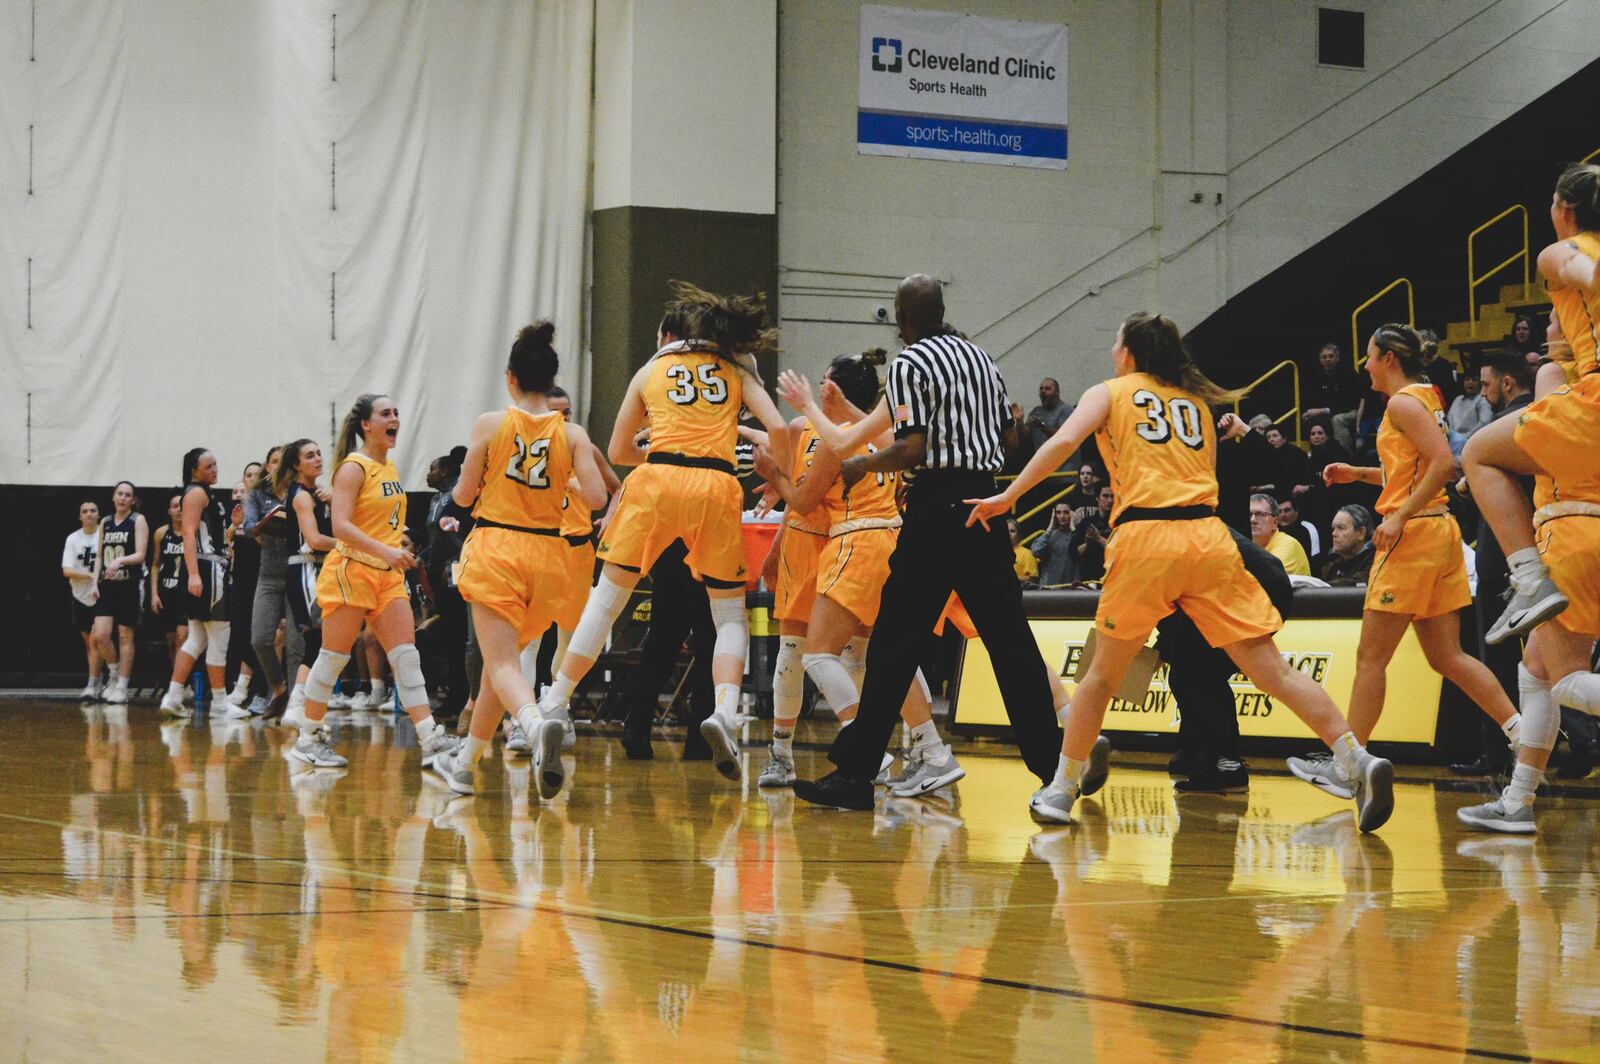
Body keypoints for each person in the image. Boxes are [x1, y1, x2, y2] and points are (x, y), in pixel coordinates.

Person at [967, 311, 1394, 831]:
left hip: (1147, 539)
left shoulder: (1112, 391)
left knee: (1102, 676)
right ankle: (1355, 758)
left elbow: (1059, 444)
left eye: (1114, 341)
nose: (1110, 350)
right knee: (1273, 671)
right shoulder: (1195, 401)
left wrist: (1008, 494)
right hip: (1210, 540)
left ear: (1129, 353)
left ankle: (1060, 789)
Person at [780, 274, 1064, 813]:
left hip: (935, 509)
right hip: (983, 507)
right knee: (1009, 642)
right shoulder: (983, 359)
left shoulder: (910, 364)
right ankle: (1057, 769)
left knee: (892, 646)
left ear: (901, 317)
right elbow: (1009, 437)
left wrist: (863, 464)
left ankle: (857, 776)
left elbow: (913, 447)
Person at [531, 283, 791, 781]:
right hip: (716, 485)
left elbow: (620, 451)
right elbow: (779, 428)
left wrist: (660, 444)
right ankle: (724, 712)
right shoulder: (736, 369)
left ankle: (556, 704)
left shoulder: (652, 368)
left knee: (607, 601)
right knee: (728, 613)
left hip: (655, 480)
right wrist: (773, 468)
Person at [1287, 324, 1522, 800]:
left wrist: (1397, 518)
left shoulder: (1400, 403)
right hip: (1439, 533)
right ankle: (1523, 734)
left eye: (1370, 357)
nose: (1365, 365)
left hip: (1413, 536)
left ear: (1389, 358)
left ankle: (1348, 765)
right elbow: (1412, 470)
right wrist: (1359, 473)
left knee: (1371, 658)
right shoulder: (1427, 395)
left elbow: (1442, 464)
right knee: (1447, 657)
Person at [761, 351, 963, 796]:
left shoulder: (837, 441)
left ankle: (864, 745)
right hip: (898, 540)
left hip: (858, 541)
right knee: (887, 658)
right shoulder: (885, 432)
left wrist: (773, 476)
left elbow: (804, 502)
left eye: (820, 386)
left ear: (831, 390)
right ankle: (933, 752)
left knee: (816, 655)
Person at [427, 323, 608, 800]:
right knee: (497, 670)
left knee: (502, 664)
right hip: (548, 555)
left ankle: (533, 723)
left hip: (498, 548)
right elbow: (596, 496)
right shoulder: (572, 434)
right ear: (551, 382)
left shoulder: (490, 424)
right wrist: (560, 482)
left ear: (510, 378)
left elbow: (463, 495)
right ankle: (464, 765)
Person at [1460, 308, 1600, 832]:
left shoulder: (1555, 377)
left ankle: (1517, 803)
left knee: (1566, 683)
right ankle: (1518, 803)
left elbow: (1530, 444)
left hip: (1569, 533)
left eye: (1557, 319)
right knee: (1536, 674)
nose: (1546, 331)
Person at [1462, 163, 1600, 644]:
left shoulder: (1563, 250)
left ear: (1564, 209)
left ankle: (1529, 579)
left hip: (1594, 407)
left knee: (1477, 452)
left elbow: (1577, 267)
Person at [290, 394, 458, 774]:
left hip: (385, 575)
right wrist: (385, 550)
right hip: (352, 571)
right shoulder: (352, 468)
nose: (394, 418)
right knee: (333, 657)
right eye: (385, 413)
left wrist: (392, 549)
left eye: (396, 412)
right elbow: (341, 527)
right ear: (366, 425)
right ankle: (309, 736)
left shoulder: (390, 468)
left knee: (406, 657)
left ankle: (430, 737)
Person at [158, 449, 233, 717]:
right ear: (194, 470)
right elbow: (188, 533)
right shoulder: (197, 493)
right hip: (207, 567)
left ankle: (173, 697)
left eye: (215, 463)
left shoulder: (205, 493)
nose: (215, 468)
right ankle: (221, 703)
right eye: (208, 465)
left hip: (208, 565)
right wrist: (194, 574)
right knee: (219, 635)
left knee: (196, 639)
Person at [275, 439, 335, 724]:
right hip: (305, 569)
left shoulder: (319, 494)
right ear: (297, 465)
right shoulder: (301, 496)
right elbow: (314, 540)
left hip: (320, 569)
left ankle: (303, 704)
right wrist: (352, 546)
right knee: (317, 641)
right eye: (310, 456)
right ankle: (297, 704)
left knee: (322, 642)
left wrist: (334, 502)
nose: (318, 459)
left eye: (319, 453)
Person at [244, 446, 296, 718]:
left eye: (283, 462)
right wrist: (263, 526)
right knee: (260, 638)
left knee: (296, 643)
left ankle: (297, 703)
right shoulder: (257, 494)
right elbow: (248, 527)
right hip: (268, 574)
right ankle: (278, 689)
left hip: (297, 572)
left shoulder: (302, 491)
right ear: (267, 465)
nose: (279, 466)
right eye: (274, 462)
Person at [89, 481, 149, 705]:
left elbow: (141, 554)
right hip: (107, 586)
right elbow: (98, 554)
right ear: (113, 497)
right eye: (120, 494)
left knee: (125, 635)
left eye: (128, 495)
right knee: (101, 635)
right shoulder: (105, 522)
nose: (123, 498)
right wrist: (95, 582)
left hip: (129, 585)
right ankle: (113, 673)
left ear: (133, 500)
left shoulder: (138, 520)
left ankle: (122, 685)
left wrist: (120, 560)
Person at [223, 461, 264, 708]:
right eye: (247, 474)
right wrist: (235, 524)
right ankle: (265, 681)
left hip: (261, 577)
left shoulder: (264, 506)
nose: (251, 478)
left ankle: (261, 686)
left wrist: (249, 527)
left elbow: (267, 543)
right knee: (238, 636)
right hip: (239, 578)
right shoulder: (241, 508)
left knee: (256, 636)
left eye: (256, 474)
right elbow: (229, 541)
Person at [62, 500, 105, 700]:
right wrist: (90, 576)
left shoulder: (104, 535)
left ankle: (97, 682)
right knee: (90, 643)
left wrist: (98, 579)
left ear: (99, 515)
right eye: (84, 511)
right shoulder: (73, 539)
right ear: (80, 517)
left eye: (92, 510)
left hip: (102, 594)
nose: (89, 514)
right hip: (80, 596)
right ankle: (96, 681)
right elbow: (67, 570)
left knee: (99, 639)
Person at [149, 494, 190, 685]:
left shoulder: (193, 532)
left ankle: (182, 682)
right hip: (166, 592)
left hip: (186, 594)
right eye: (175, 506)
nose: (179, 509)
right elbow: (155, 564)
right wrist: (154, 594)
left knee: (183, 638)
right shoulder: (160, 533)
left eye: (182, 505)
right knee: (172, 641)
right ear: (169, 511)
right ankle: (177, 680)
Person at [1302, 343, 1362, 452]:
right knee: (1308, 417)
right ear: (1320, 360)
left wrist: (1323, 410)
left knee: (1338, 420)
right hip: (1331, 411)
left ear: (1337, 358)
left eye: (1331, 356)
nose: (1328, 359)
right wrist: (1311, 411)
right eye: (1324, 357)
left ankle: (1345, 457)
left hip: (1353, 411)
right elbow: (1315, 399)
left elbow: (1348, 404)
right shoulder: (1318, 375)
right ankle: (1318, 455)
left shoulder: (1348, 373)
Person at [1248, 494, 1310, 576]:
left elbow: (1262, 580)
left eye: (1260, 514)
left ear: (1275, 523)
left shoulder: (1288, 545)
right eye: (1249, 514)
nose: (1253, 520)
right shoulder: (1244, 545)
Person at [1320, 504, 1376, 586]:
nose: (1333, 533)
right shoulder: (1332, 565)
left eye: (1341, 528)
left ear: (1361, 533)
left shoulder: (1376, 562)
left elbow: (1357, 585)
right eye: (1333, 528)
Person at [1067, 484, 1113, 581]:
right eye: (1105, 496)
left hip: (1112, 578)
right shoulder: (1086, 523)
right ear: (1097, 498)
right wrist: (1087, 543)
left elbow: (1121, 551)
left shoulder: (1119, 523)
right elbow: (1073, 553)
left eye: (1112, 496)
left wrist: (1099, 539)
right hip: (1088, 578)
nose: (1110, 500)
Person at [1030, 502, 1076, 586]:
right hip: (1050, 585)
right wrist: (1050, 528)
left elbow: (1078, 550)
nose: (1062, 516)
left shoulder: (1077, 534)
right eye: (1058, 513)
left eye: (1066, 512)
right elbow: (1036, 551)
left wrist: (1073, 528)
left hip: (1071, 585)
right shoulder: (1050, 535)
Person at [1024, 377, 1073, 455]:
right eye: (1041, 388)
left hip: (1065, 464)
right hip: (1043, 462)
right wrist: (1019, 421)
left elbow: (1063, 438)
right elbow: (1025, 437)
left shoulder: (1067, 410)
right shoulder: (1036, 411)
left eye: (1048, 389)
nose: (1043, 391)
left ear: (1057, 392)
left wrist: (1042, 426)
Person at [1447, 370, 1493, 441]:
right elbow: (1449, 419)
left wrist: (1466, 437)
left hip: (1472, 440)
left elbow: (1485, 422)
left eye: (1474, 380)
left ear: (1480, 383)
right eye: (1467, 379)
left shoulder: (1483, 399)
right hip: (1452, 439)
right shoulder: (1458, 399)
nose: (1470, 382)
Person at [1276, 495, 1320, 562]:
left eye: (1287, 510)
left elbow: (1315, 556)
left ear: (1296, 511)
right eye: (1279, 512)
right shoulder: (1272, 530)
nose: (1283, 515)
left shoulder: (1308, 528)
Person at [1009, 519, 1037, 585]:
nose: (1008, 534)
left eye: (1012, 531)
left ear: (1018, 535)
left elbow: (1033, 579)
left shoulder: (1026, 553)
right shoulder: (996, 553)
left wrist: (1010, 578)